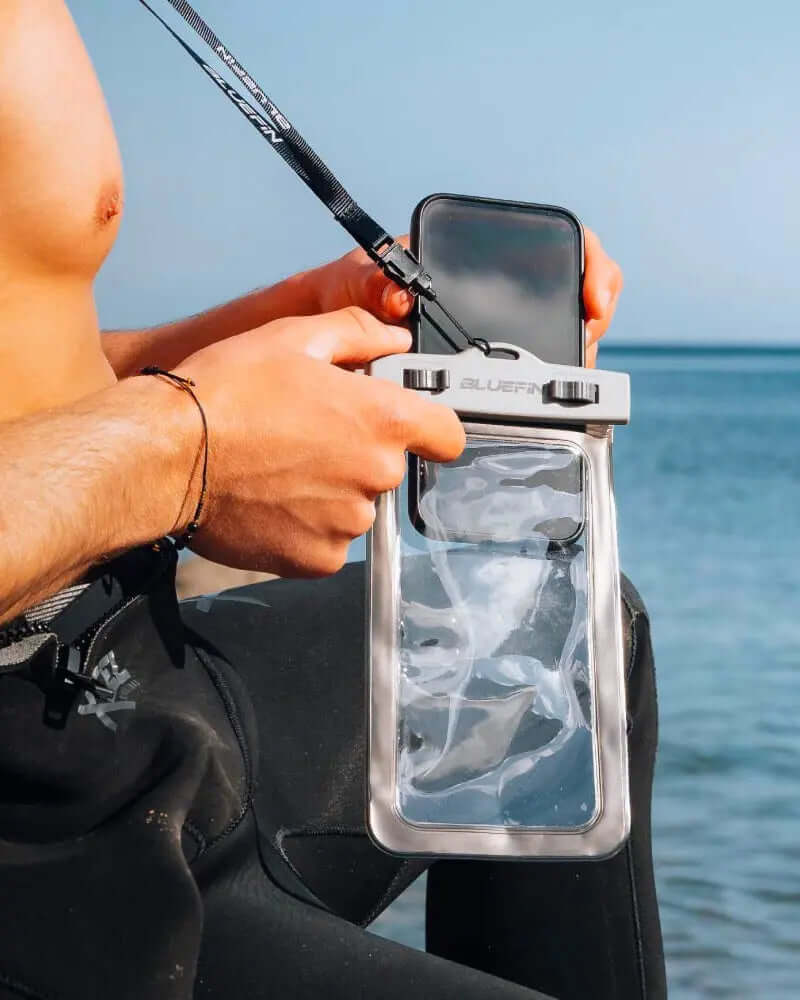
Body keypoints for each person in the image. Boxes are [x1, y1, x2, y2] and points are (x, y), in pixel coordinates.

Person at [0, 2, 664, 998]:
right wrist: (189, 448)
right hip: (37, 831)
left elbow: (36, 367)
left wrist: (295, 325)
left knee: (586, 628)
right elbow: (163, 440)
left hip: (125, 666)